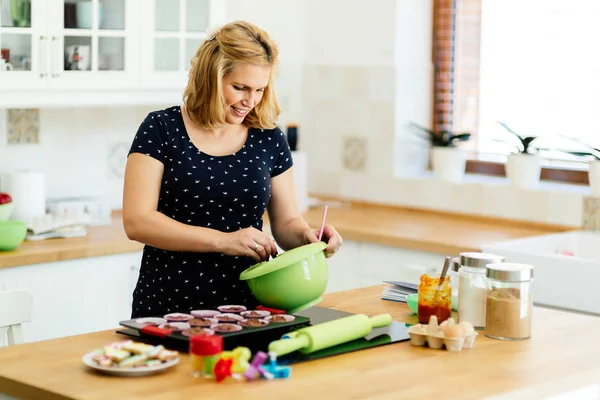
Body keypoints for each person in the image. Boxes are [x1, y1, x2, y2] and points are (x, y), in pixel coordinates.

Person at [123, 21, 343, 318]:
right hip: (169, 305)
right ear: (211, 78)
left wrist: (308, 237)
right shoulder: (161, 128)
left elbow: (287, 222)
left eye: (259, 90)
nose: (250, 101)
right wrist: (224, 241)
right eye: (240, 88)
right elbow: (137, 222)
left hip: (249, 309)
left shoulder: (268, 137)